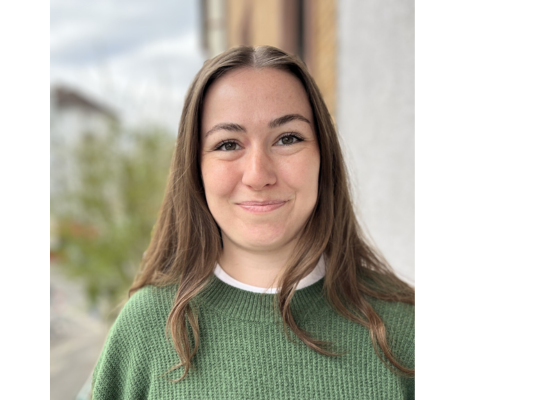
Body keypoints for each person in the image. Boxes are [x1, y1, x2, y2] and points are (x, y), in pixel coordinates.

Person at [91, 45, 415, 399]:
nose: (258, 175)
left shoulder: (406, 329)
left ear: (324, 157)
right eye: (228, 144)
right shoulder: (145, 329)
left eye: (287, 139)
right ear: (196, 169)